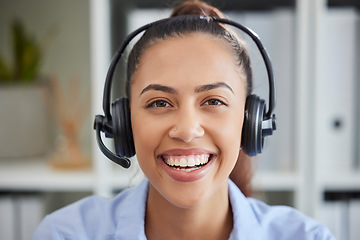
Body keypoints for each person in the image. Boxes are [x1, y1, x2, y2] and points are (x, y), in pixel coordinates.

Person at [32, 1, 335, 239]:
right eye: (160, 102)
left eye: (214, 101)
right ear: (123, 122)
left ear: (251, 120)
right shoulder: (64, 235)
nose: (188, 130)